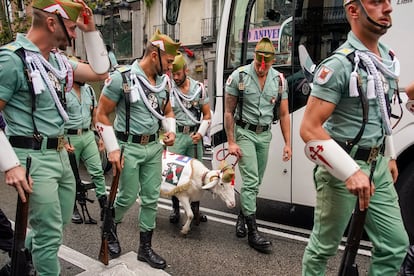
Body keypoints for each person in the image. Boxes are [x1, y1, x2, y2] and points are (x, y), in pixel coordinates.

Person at [300, 0, 408, 275]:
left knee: (395, 245)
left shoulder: (385, 58)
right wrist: (350, 172)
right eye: (376, 2)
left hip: (378, 167)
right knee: (323, 248)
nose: (388, 8)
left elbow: (382, 112)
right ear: (353, 10)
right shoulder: (339, 64)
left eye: (387, 1)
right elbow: (309, 128)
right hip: (341, 169)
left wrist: (390, 154)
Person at [0, 0, 109, 274]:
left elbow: (101, 71)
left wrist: (91, 29)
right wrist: (10, 164)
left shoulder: (58, 62)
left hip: (62, 155)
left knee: (55, 227)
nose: (74, 34)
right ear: (51, 23)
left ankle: (19, 260)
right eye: (72, 27)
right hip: (32, 157)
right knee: (49, 237)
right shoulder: (13, 58)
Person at [95, 29, 179, 269]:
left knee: (152, 198)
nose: (171, 67)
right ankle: (110, 227)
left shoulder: (163, 83)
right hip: (128, 146)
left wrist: (170, 129)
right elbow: (101, 113)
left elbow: (168, 110)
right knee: (127, 196)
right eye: (169, 61)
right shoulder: (122, 78)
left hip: (153, 146)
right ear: (155, 55)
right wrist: (112, 148)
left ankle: (145, 248)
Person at [224, 37, 291, 254]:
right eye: (259, 63)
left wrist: (288, 144)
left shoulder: (280, 80)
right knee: (251, 180)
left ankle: (242, 218)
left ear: (272, 61)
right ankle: (253, 232)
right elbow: (228, 111)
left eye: (267, 65)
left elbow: (283, 114)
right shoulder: (239, 77)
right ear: (255, 58)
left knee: (256, 181)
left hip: (264, 135)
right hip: (245, 133)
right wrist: (231, 141)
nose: (262, 69)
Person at [168, 52, 211, 225]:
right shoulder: (168, 90)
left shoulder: (199, 89)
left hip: (194, 136)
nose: (175, 77)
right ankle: (176, 210)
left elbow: (207, 115)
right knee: (175, 176)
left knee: (197, 176)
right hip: (177, 136)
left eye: (178, 73)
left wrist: (200, 133)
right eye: (173, 74)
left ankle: (195, 210)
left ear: (186, 70)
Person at [64, 70, 106, 224]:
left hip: (87, 135)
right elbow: (57, 117)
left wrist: (101, 136)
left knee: (97, 171)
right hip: (69, 136)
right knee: (70, 176)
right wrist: (63, 141)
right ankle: (73, 207)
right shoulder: (63, 90)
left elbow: (95, 114)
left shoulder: (88, 90)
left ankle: (104, 205)